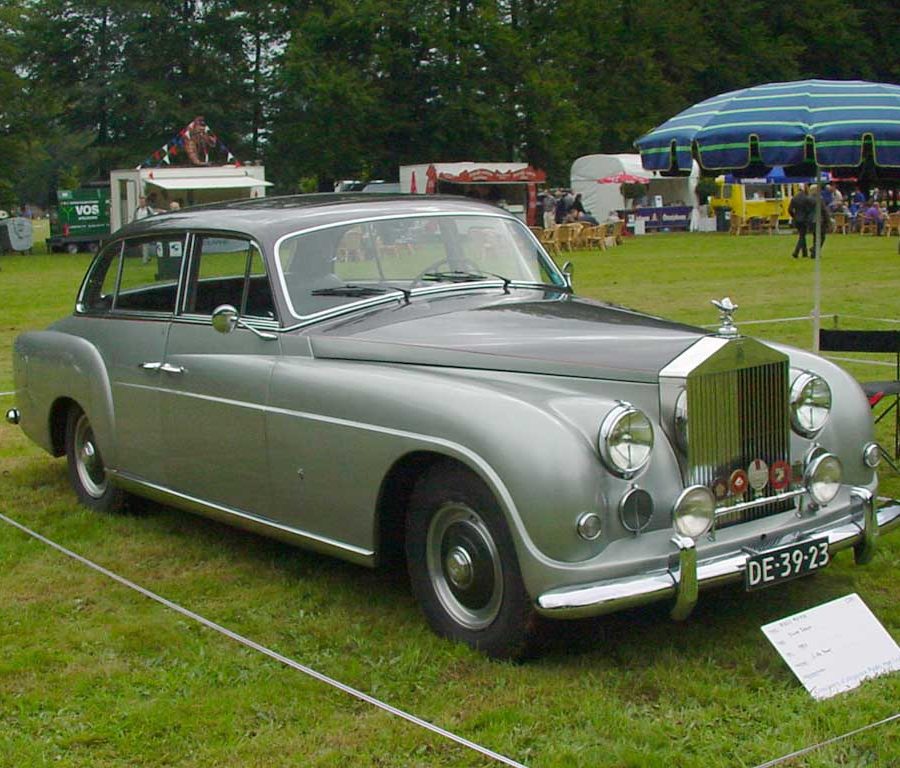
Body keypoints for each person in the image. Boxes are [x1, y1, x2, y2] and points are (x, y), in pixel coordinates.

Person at [788, 184, 813, 258]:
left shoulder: (794, 198)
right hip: (804, 219)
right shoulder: (806, 198)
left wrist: (794, 216)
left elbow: (789, 209)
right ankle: (796, 252)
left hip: (797, 219)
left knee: (802, 235)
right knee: (802, 236)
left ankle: (804, 253)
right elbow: (808, 210)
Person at [808, 185, 832, 258]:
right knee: (822, 237)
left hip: (811, 221)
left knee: (815, 237)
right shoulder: (820, 199)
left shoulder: (808, 199)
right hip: (819, 220)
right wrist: (828, 221)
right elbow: (824, 211)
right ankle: (814, 250)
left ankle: (814, 252)